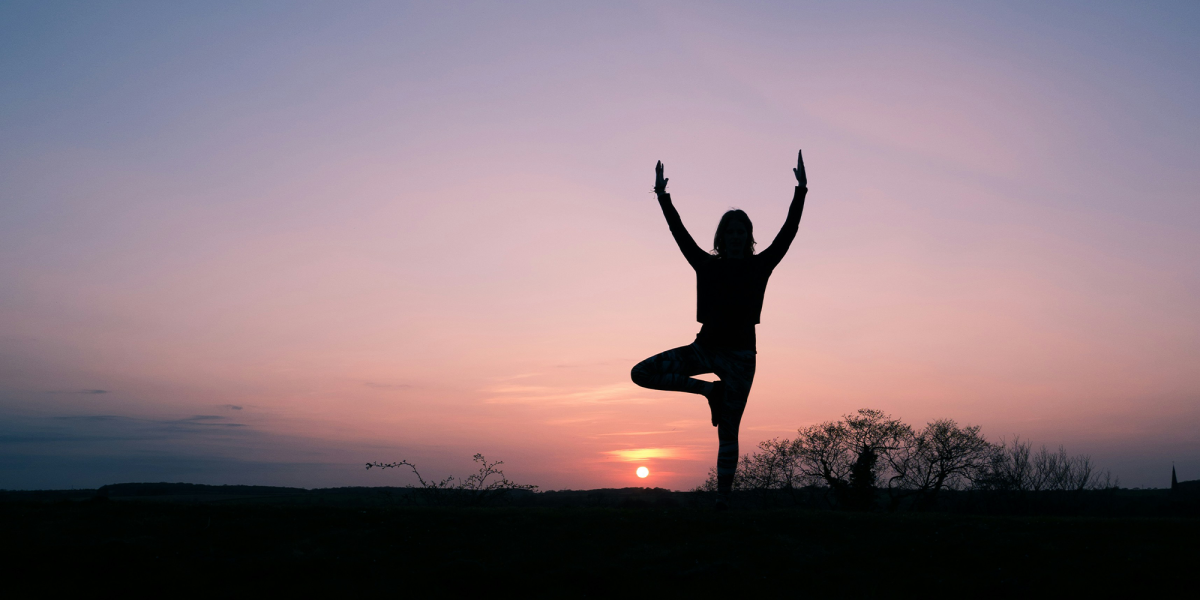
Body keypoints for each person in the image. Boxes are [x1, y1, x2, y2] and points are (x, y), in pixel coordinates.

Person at [631, 150, 808, 509]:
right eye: (729, 231)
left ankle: (722, 501)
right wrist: (662, 196)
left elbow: (789, 232)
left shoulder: (761, 266)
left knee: (729, 432)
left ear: (748, 236)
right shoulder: (705, 265)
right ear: (721, 236)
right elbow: (678, 233)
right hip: (705, 349)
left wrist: (801, 190)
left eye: (741, 231)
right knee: (641, 373)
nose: (735, 236)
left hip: (741, 358)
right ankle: (708, 392)